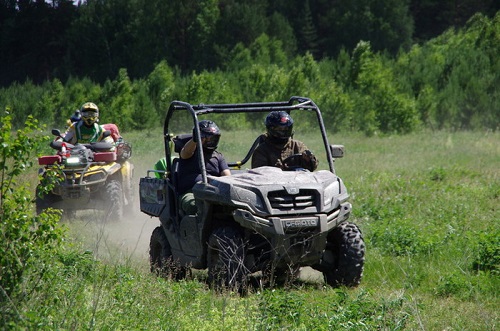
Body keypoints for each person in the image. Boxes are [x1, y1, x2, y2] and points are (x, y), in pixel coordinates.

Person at [177, 120, 231, 214]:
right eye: (208, 138)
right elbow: (185, 152)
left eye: (214, 138)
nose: (211, 141)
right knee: (194, 206)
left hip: (213, 193)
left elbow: (227, 177)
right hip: (190, 192)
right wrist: (194, 140)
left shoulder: (218, 156)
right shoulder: (191, 152)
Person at [251, 111, 318, 171]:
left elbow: (312, 167)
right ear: (271, 129)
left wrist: (309, 159)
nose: (283, 132)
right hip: (273, 183)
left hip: (298, 183)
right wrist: (276, 170)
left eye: (286, 129)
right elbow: (259, 175)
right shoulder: (262, 151)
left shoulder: (298, 146)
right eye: (280, 129)